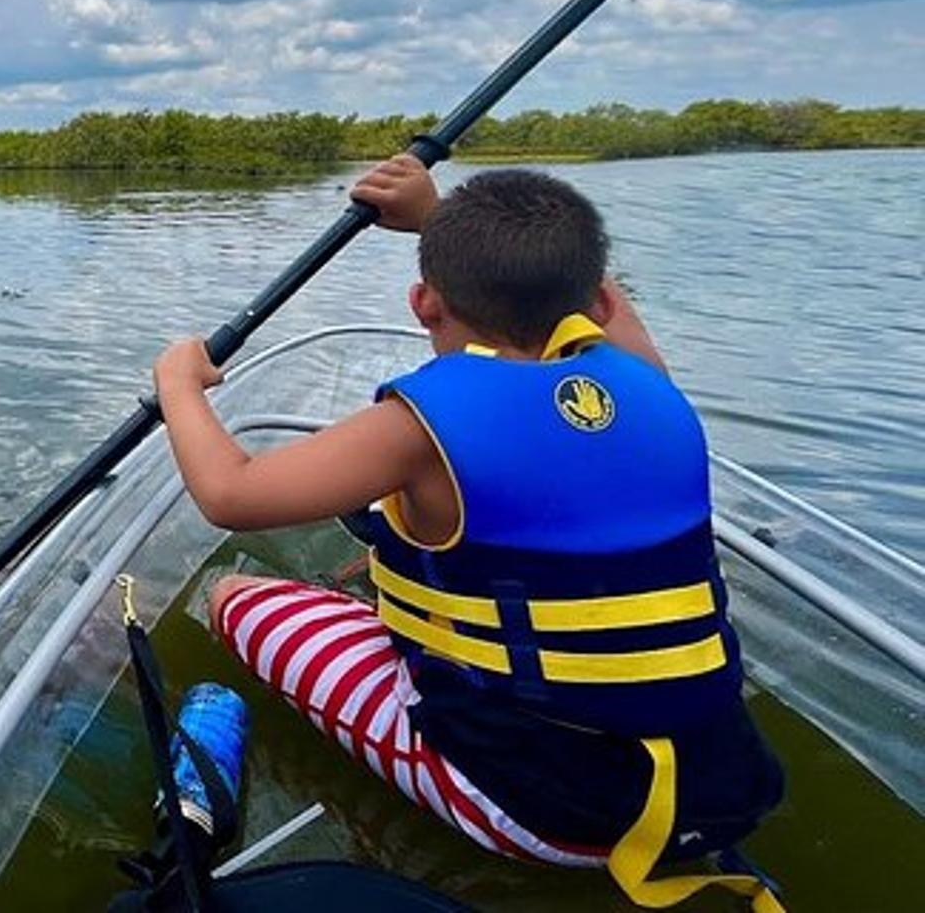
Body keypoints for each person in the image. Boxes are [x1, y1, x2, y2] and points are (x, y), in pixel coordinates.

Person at [152, 155, 784, 911]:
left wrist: (178, 384)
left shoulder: (415, 429)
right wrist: (436, 216)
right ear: (603, 299)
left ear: (423, 302)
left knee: (237, 595)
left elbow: (230, 491)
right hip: (711, 784)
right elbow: (597, 318)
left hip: (545, 811)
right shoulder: (648, 379)